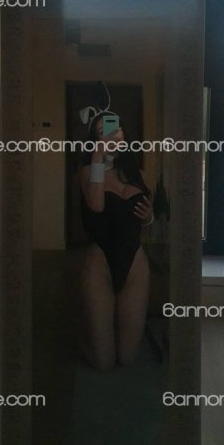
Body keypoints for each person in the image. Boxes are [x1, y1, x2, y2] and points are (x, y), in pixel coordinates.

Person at [77, 111, 154, 371]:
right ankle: (86, 331)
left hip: (134, 263)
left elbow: (147, 219)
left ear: (124, 134)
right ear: (95, 140)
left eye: (115, 129)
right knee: (103, 361)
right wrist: (98, 155)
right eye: (102, 132)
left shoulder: (141, 175)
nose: (110, 135)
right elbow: (97, 205)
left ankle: (106, 325)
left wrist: (149, 217)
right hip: (100, 262)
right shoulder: (87, 172)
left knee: (127, 357)